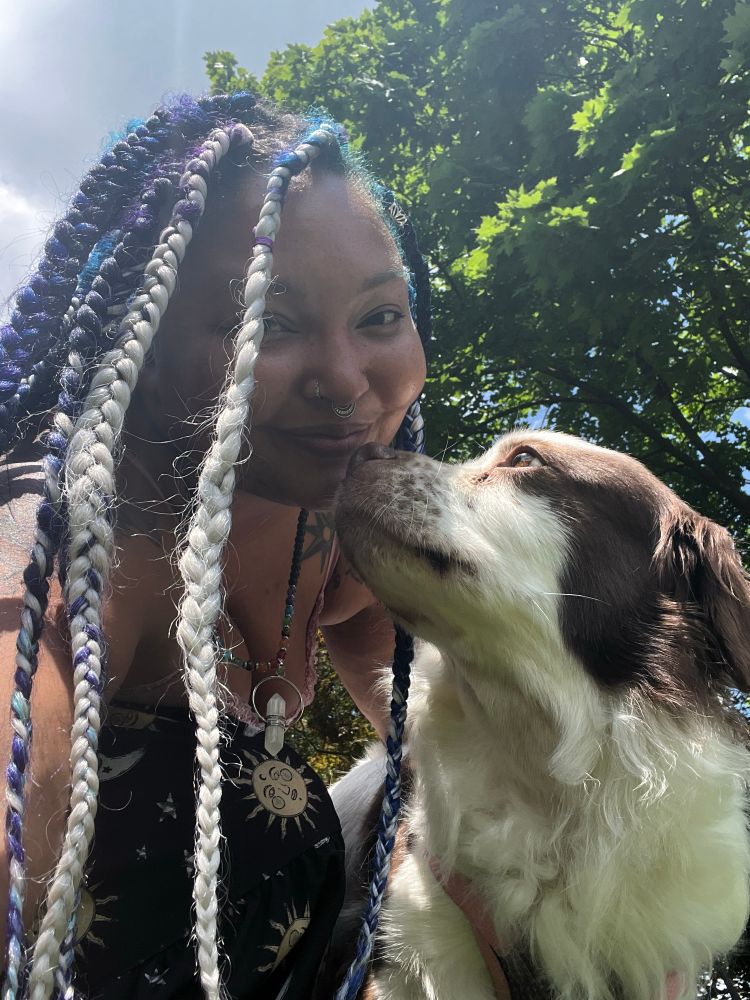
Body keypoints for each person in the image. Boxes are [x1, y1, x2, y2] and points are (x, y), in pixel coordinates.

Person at [0, 92, 430, 1000]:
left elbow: (443, 741)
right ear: (145, 343)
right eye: (266, 323)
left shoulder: (339, 544)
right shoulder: (71, 545)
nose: (346, 380)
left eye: (380, 316)